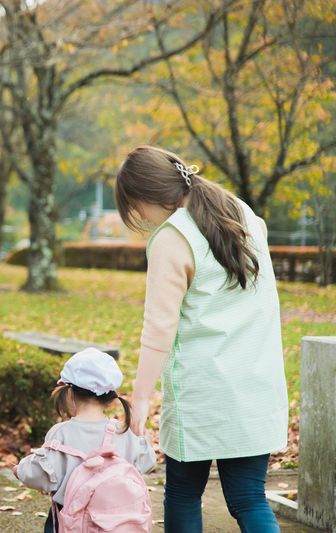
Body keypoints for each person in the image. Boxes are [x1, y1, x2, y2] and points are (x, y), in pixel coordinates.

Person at [116, 145, 288, 533]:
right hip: (256, 385)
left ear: (145, 199)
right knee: (249, 499)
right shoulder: (242, 213)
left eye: (134, 207)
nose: (139, 217)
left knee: (182, 494)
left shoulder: (172, 238)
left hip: (202, 393)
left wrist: (140, 399)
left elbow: (159, 328)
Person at [14, 348, 156, 533]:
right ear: (110, 397)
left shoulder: (61, 433)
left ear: (70, 393)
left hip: (71, 523)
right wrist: (142, 437)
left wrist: (20, 471)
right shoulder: (122, 431)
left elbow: (41, 475)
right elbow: (148, 461)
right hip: (118, 523)